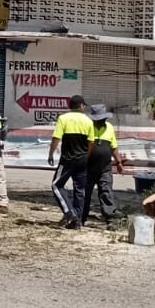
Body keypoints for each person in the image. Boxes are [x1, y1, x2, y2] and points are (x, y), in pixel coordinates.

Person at [47, 95, 95, 230]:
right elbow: (91, 142)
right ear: (80, 106)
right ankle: (77, 222)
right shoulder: (88, 121)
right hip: (83, 159)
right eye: (83, 105)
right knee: (80, 190)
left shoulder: (63, 118)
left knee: (56, 185)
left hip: (67, 159)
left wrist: (51, 153)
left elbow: (56, 138)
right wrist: (87, 156)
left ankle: (69, 212)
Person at [83, 103, 118, 228]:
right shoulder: (87, 127)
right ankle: (81, 218)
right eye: (99, 119)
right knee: (84, 193)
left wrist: (118, 162)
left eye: (103, 119)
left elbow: (113, 147)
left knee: (106, 192)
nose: (101, 121)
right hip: (88, 167)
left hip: (105, 168)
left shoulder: (109, 127)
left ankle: (110, 219)